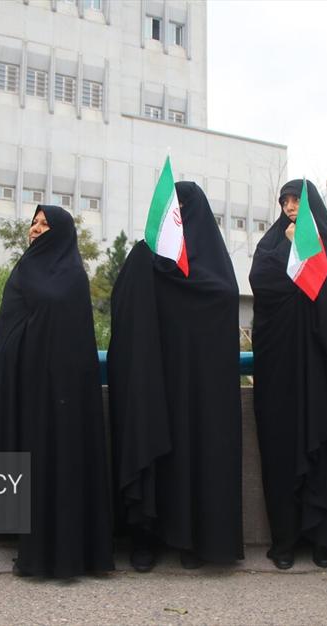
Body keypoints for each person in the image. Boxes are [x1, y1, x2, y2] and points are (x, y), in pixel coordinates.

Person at [0, 205, 115, 578]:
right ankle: (23, 538)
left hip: (60, 392)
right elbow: (9, 325)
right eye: (33, 223)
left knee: (56, 465)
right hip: (20, 384)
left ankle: (61, 553)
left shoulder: (71, 276)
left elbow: (70, 338)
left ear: (63, 232)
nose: (35, 229)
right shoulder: (24, 269)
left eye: (44, 223)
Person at [108, 181, 244, 572]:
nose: (178, 213)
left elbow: (223, 300)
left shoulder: (213, 264)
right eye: (173, 205)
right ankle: (145, 538)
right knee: (148, 449)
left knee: (198, 456)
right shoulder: (143, 259)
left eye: (185, 206)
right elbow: (123, 309)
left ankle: (195, 538)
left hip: (199, 389)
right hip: (152, 382)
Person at [248, 179, 327, 570]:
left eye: (296, 200)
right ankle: (285, 539)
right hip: (282, 375)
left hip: (325, 374)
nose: (289, 207)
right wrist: (289, 247)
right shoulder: (270, 246)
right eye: (284, 201)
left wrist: (309, 259)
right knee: (283, 452)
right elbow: (263, 286)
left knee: (325, 456)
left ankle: (323, 538)